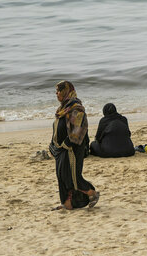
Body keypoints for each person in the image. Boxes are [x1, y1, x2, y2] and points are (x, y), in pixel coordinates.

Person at [49, 81, 99, 210]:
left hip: (72, 149)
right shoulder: (62, 109)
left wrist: (66, 144)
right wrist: (53, 144)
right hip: (60, 149)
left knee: (72, 177)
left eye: (58, 91)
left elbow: (78, 130)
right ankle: (67, 203)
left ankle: (91, 193)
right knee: (61, 176)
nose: (56, 94)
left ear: (66, 92)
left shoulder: (76, 108)